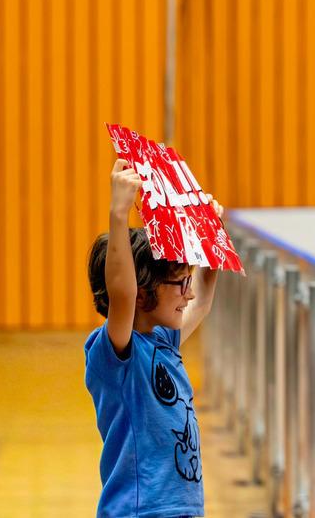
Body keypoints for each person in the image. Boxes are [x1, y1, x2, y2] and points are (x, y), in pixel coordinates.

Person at [84, 158, 224, 517]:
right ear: (144, 294)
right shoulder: (117, 356)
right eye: (179, 284)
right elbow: (122, 293)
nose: (188, 295)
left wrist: (211, 231)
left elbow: (204, 299)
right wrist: (119, 214)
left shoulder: (164, 342)